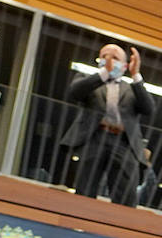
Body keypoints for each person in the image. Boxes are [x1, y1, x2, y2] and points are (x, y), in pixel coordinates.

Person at [61, 44, 153, 206]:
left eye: (115, 58)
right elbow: (75, 93)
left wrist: (136, 75)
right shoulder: (87, 79)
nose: (109, 60)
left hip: (123, 142)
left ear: (125, 66)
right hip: (94, 138)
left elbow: (149, 109)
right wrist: (104, 73)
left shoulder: (132, 89)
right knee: (85, 191)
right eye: (104, 56)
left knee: (125, 196)